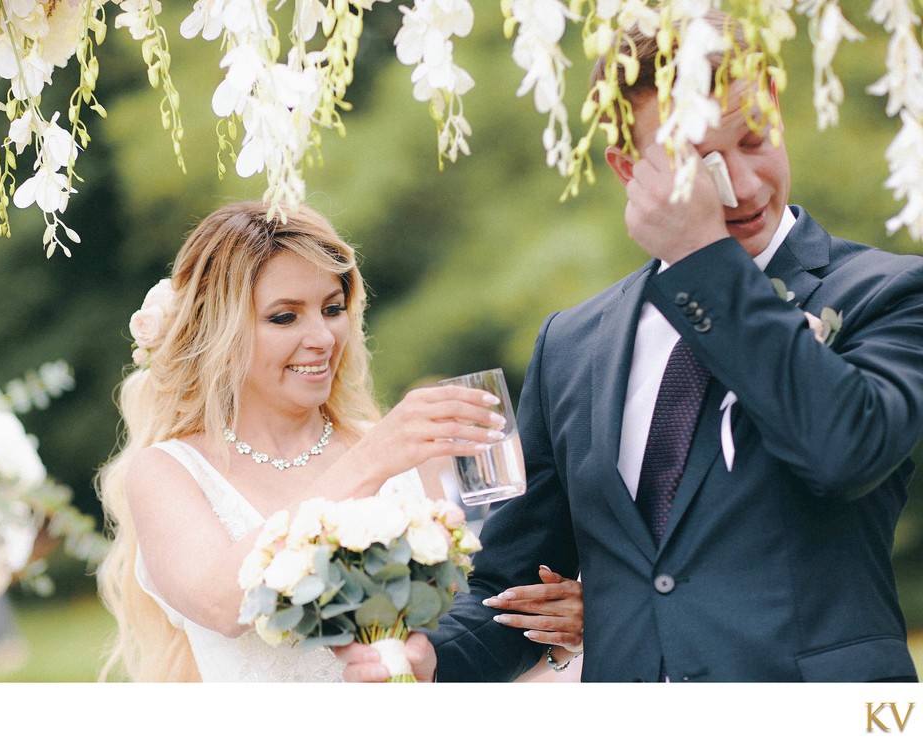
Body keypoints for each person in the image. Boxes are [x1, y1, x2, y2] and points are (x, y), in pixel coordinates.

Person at [338, 9, 923, 682]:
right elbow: (515, 586)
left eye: (755, 140)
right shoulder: (573, 343)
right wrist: (429, 657)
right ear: (628, 168)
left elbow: (844, 451)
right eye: (699, 160)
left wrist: (705, 255)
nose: (743, 184)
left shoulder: (890, 290)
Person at [95, 201, 582, 681]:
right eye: (285, 317)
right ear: (217, 329)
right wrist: (370, 462)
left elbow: (447, 645)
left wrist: (550, 634)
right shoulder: (170, 470)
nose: (323, 338)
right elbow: (222, 604)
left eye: (332, 309)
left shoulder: (395, 453)